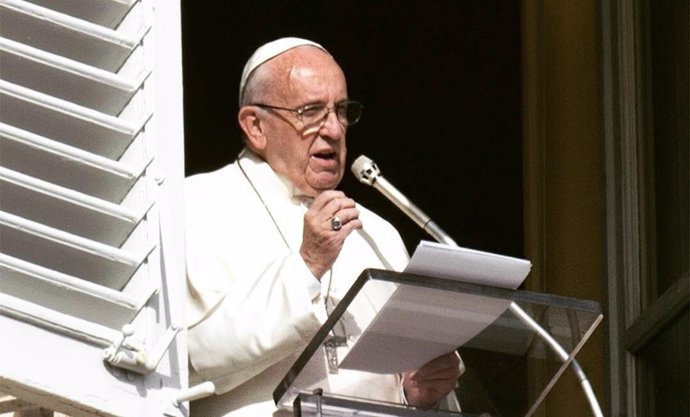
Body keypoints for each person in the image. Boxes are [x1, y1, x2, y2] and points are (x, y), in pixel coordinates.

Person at [185, 37, 463, 416]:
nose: (333, 129)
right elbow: (193, 357)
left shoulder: (378, 233)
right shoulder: (197, 205)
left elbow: (402, 387)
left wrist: (413, 395)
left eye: (342, 111)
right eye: (311, 111)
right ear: (255, 126)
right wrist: (307, 265)